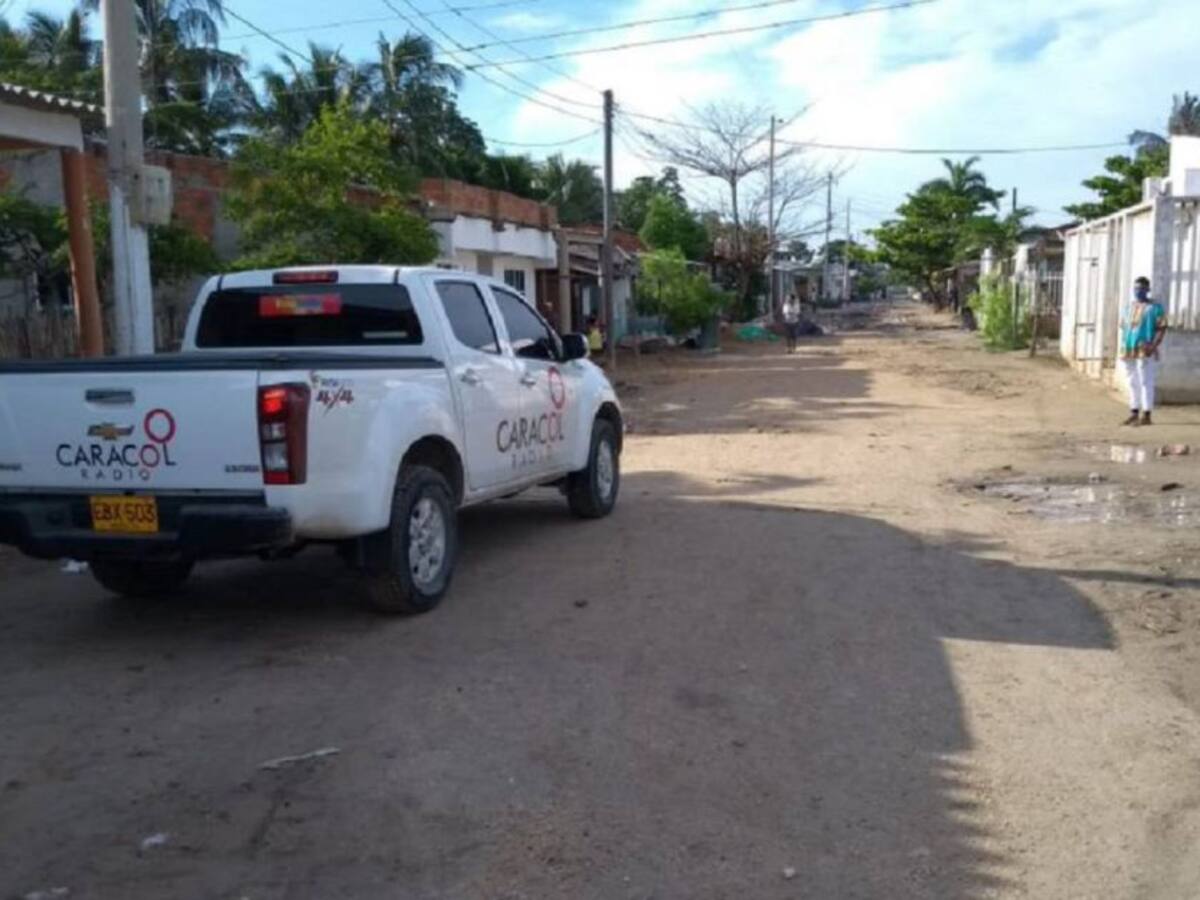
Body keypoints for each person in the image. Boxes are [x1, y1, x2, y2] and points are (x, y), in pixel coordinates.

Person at [1120, 276, 1168, 426]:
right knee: (1132, 380)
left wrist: (1154, 345)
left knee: (1145, 380)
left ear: (1148, 289)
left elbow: (1162, 328)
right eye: (1135, 288)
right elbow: (1124, 326)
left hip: (1145, 347)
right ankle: (1134, 411)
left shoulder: (1155, 308)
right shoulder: (1128, 307)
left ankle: (1147, 414)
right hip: (1129, 347)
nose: (1138, 291)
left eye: (1141, 288)